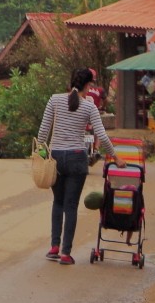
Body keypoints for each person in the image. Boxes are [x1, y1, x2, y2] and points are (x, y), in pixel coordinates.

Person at [37, 67, 117, 264]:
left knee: (58, 202)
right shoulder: (89, 106)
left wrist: (41, 152)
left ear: (70, 82)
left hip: (56, 157)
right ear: (88, 86)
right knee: (71, 206)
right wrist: (115, 157)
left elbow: (43, 132)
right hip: (77, 158)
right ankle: (65, 253)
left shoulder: (54, 100)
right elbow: (102, 134)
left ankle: (54, 247)